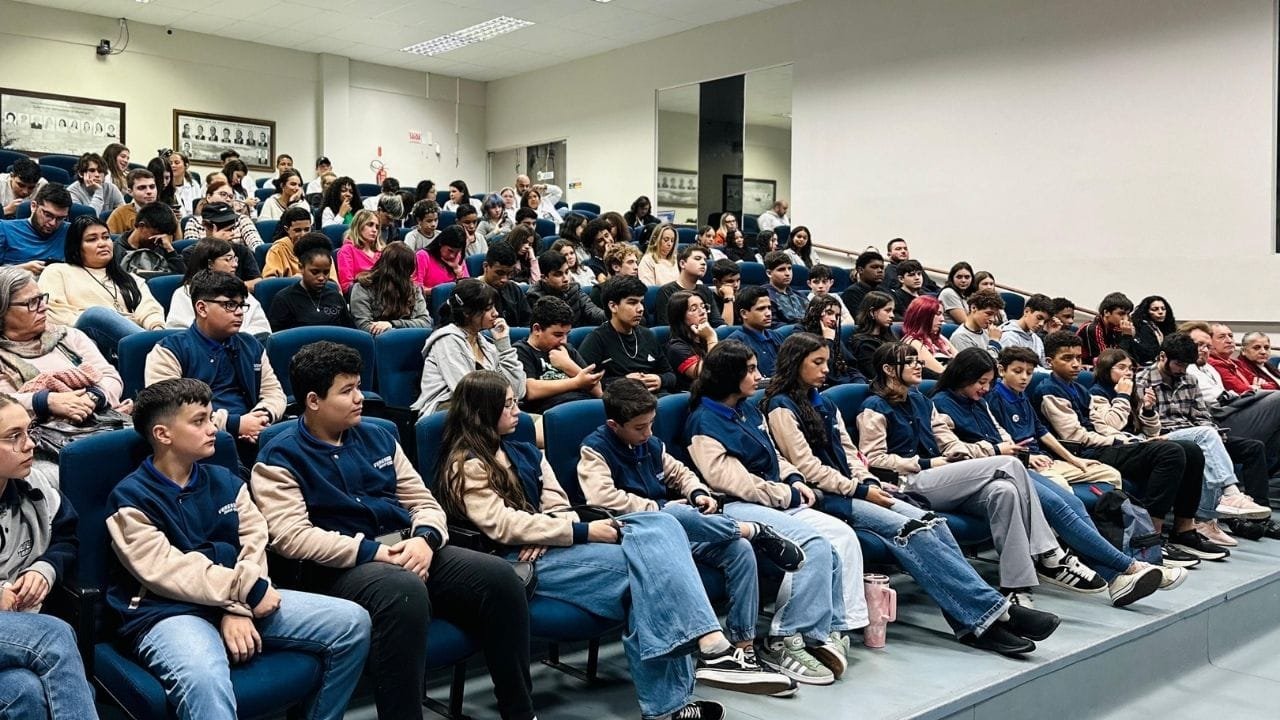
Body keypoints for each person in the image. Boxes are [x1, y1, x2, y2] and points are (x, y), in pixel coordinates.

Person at [250, 343, 538, 720]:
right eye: (347, 391)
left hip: (408, 548)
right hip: (341, 568)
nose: (359, 398)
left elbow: (424, 501)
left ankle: (519, 712)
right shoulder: (279, 456)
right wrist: (375, 553)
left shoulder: (379, 435)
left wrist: (425, 539)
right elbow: (292, 536)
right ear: (313, 400)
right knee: (402, 592)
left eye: (358, 386)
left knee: (499, 578)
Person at [435, 371, 727, 720]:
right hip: (510, 563)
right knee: (646, 576)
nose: (519, 411)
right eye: (508, 405)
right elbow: (503, 526)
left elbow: (559, 503)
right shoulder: (465, 465)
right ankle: (680, 689)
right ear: (483, 411)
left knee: (661, 522)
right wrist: (573, 532)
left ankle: (682, 681)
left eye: (515, 402)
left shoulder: (527, 450)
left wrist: (549, 530)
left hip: (551, 544)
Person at [765, 334, 1068, 652]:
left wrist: (870, 481)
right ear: (795, 363)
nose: (826, 369)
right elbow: (809, 469)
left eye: (827, 361)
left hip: (858, 488)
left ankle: (973, 621)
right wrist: (862, 489)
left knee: (934, 524)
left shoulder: (823, 401)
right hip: (828, 498)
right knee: (910, 530)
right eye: (818, 362)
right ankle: (997, 614)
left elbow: (852, 455)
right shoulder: (780, 407)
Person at [106, 378, 371, 720]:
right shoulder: (130, 498)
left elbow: (254, 544)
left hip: (242, 597)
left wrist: (241, 607)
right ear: (163, 434)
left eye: (210, 417)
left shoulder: (227, 480)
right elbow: (166, 570)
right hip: (168, 612)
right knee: (204, 679)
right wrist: (245, 592)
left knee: (352, 623)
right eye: (199, 421)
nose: (212, 427)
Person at [579, 379, 801, 696]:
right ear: (615, 425)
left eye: (651, 425)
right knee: (677, 515)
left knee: (738, 550)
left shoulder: (651, 444)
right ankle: (754, 529)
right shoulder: (594, 449)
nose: (648, 434)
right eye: (640, 428)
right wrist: (659, 507)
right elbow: (603, 499)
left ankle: (742, 648)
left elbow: (679, 473)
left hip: (672, 526)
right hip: (634, 534)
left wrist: (697, 492)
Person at [932, 347, 1168, 606]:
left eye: (989, 383)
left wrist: (1008, 448)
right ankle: (1127, 567)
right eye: (980, 382)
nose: (986, 389)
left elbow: (1004, 436)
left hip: (1010, 466)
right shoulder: (942, 403)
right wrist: (999, 449)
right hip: (986, 475)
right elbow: (955, 452)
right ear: (962, 376)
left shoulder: (980, 402)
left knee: (1073, 502)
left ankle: (1118, 575)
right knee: (1057, 505)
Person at [684, 341, 859, 684]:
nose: (758, 375)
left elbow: (772, 455)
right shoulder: (703, 422)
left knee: (836, 539)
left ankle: (826, 630)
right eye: (749, 370)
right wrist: (788, 493)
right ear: (727, 376)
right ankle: (783, 638)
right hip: (733, 506)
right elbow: (734, 483)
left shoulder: (748, 408)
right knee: (812, 545)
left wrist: (792, 475)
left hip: (773, 498)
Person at [857, 341, 1066, 607]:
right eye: (910, 362)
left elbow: (947, 439)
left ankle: (1016, 585)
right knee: (1009, 464)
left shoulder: (922, 400)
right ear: (888, 369)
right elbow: (874, 459)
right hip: (906, 484)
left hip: (940, 478)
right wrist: (927, 462)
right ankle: (1047, 550)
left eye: (918, 361)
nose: (918, 366)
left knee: (1005, 491)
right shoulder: (874, 407)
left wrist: (960, 454)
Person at [1031, 331, 1226, 563]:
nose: (1075, 364)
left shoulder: (1079, 388)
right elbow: (1076, 436)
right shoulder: (1050, 390)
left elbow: (1104, 426)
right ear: (1049, 362)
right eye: (1066, 358)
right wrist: (1124, 439)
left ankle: (1184, 529)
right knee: (1171, 452)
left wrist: (1140, 426)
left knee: (1190, 449)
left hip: (1109, 443)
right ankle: (1149, 536)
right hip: (1085, 453)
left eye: (1077, 357)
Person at [1096, 345, 1277, 542]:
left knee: (1236, 445)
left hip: (1172, 434)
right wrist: (1123, 396)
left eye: (1130, 368)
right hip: (1135, 442)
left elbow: (1160, 426)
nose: (1128, 373)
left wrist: (1148, 410)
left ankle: (1212, 519)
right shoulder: (1108, 390)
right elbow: (1111, 426)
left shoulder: (1185, 380)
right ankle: (1222, 502)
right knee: (1199, 442)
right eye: (1121, 368)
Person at [0, 391, 100, 718]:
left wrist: (46, 568)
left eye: (28, 431)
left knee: (25, 692)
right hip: (22, 628)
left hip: (15, 628)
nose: (29, 445)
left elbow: (66, 536)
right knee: (54, 637)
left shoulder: (36, 484)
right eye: (13, 437)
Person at [146, 271, 285, 467]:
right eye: (229, 305)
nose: (239, 312)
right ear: (202, 308)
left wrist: (262, 417)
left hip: (255, 433)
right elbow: (169, 410)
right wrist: (235, 424)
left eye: (241, 305)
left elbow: (273, 392)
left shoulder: (251, 345)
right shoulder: (169, 350)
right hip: (202, 444)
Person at [39, 215, 166, 360]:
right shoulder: (57, 271)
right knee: (96, 315)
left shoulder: (130, 278)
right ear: (77, 246)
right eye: (92, 239)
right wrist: (112, 319)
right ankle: (163, 352)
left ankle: (159, 348)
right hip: (83, 342)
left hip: (129, 342)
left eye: (106, 237)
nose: (102, 243)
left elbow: (149, 309)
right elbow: (52, 312)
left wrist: (157, 328)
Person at [1182, 322, 1280, 481]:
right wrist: (1251, 391)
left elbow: (1232, 395)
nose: (1229, 340)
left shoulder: (1210, 367)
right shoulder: (1192, 367)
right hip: (1216, 421)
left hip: (1229, 411)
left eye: (1207, 345)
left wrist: (1251, 391)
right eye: (1199, 345)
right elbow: (1222, 397)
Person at [413, 279, 524, 416]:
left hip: (487, 411)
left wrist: (504, 346)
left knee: (530, 423)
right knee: (526, 423)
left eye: (494, 307)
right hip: (450, 415)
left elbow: (518, 390)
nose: (495, 313)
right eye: (488, 309)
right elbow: (469, 394)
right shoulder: (447, 341)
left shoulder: (485, 343)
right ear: (467, 312)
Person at [578, 276, 676, 395]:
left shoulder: (648, 335)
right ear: (613, 306)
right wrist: (624, 382)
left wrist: (660, 380)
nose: (640, 309)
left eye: (641, 302)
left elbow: (670, 375)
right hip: (623, 402)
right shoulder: (596, 339)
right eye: (632, 302)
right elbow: (585, 382)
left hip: (655, 397)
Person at [515, 296, 603, 418]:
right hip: (554, 413)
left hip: (584, 404)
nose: (564, 340)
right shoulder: (522, 350)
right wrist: (576, 382)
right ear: (537, 329)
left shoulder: (567, 349)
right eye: (558, 335)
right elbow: (531, 390)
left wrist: (568, 365)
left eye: (567, 334)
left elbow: (598, 390)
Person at [167, 238, 272, 338]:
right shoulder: (184, 294)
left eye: (235, 259)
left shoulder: (239, 290)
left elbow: (262, 327)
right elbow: (179, 332)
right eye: (228, 259)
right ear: (210, 264)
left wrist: (239, 340)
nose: (235, 264)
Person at [267, 234, 354, 331]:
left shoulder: (336, 297)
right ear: (301, 267)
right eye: (315, 272)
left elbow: (349, 333)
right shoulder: (284, 299)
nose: (321, 278)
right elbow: (277, 341)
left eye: (326, 272)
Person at [350, 242, 432, 335]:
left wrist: (392, 324)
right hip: (376, 343)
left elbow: (425, 322)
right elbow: (364, 326)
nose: (410, 275)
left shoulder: (413, 289)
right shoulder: (363, 288)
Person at [0, 182, 71, 273]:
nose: (53, 223)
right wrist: (21, 269)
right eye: (48, 215)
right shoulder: (4, 228)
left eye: (60, 218)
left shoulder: (71, 231)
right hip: (18, 283)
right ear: (33, 206)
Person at [525, 249, 605, 327]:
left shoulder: (574, 288)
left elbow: (592, 311)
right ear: (544, 278)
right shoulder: (534, 297)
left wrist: (613, 317)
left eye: (567, 272)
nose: (566, 279)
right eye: (558, 274)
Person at [799, 296, 865, 387]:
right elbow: (824, 371)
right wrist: (828, 341)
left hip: (844, 384)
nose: (834, 319)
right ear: (814, 311)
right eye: (829, 313)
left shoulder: (832, 332)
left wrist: (859, 382)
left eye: (837, 315)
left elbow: (850, 366)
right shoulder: (800, 332)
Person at [653, 245, 724, 329]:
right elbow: (667, 328)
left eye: (705, 260)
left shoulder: (705, 290)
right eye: (697, 258)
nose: (703, 263)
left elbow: (718, 323)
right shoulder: (666, 291)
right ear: (682, 264)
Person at [182, 182, 263, 251]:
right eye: (223, 194)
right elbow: (191, 254)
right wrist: (213, 242)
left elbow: (257, 245)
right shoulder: (195, 222)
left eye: (231, 197)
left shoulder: (241, 219)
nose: (227, 199)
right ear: (209, 197)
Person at [666, 290, 719, 392]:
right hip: (697, 398)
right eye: (693, 309)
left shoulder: (704, 337)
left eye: (703, 307)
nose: (702, 312)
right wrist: (711, 338)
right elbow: (710, 374)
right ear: (679, 317)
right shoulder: (676, 348)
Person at [116, 202, 186, 279]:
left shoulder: (161, 246)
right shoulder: (116, 251)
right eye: (156, 234)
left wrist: (170, 249)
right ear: (142, 226)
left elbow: (182, 277)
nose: (159, 238)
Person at [727, 285, 783, 378]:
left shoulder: (777, 336)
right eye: (761, 309)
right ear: (744, 313)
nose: (768, 313)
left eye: (769, 308)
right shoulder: (734, 343)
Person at [900, 295, 956, 378]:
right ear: (923, 316)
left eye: (942, 314)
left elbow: (961, 359)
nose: (942, 319)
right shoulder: (913, 342)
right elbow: (943, 373)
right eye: (938, 314)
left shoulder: (938, 337)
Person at [1076, 292, 1138, 366]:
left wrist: (1131, 337)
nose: (1126, 318)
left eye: (1127, 314)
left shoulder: (1116, 328)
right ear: (1106, 312)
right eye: (1121, 314)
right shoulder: (1093, 328)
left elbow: (1134, 358)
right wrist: (1126, 336)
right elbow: (1107, 361)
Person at [845, 291, 896, 380]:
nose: (892, 315)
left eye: (892, 311)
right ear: (872, 312)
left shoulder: (890, 336)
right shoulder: (863, 344)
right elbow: (876, 375)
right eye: (887, 310)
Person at [481, 240, 531, 327]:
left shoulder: (514, 290)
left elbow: (527, 323)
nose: (504, 279)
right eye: (499, 273)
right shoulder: (472, 293)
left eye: (509, 274)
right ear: (486, 267)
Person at [260, 206, 319, 279]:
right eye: (297, 230)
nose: (303, 234)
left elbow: (333, 283)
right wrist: (293, 281)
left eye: (307, 230)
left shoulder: (319, 249)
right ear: (287, 229)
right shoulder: (277, 250)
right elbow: (269, 281)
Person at [998, 293, 1053, 365]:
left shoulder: (1037, 340)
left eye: (1045, 321)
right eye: (1039, 318)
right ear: (1026, 311)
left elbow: (1043, 367)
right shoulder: (1008, 336)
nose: (1041, 324)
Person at [336, 209, 382, 293]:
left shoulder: (381, 252)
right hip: (361, 296)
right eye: (370, 225)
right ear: (359, 226)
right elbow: (346, 286)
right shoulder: (347, 250)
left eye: (377, 227)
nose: (374, 230)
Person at [949, 289, 1006, 355]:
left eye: (995, 315)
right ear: (973, 308)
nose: (993, 319)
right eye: (989, 314)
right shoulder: (960, 338)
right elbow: (984, 365)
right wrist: (994, 341)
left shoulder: (987, 331)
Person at [107, 168, 157, 235]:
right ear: (130, 192)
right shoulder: (119, 214)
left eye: (152, 187)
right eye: (142, 188)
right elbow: (108, 239)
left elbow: (176, 242)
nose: (149, 191)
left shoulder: (166, 212)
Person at [763, 251, 806, 328]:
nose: (787, 273)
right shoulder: (763, 296)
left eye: (789, 268)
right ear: (769, 273)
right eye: (781, 269)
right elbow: (772, 325)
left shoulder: (800, 296)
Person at [1132, 295, 1176, 365]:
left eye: (1163, 309)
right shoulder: (1142, 327)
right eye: (1155, 309)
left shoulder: (1166, 327)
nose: (1160, 312)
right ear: (1146, 311)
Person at [839, 250, 885, 317]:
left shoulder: (883, 291)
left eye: (882, 267)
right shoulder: (851, 293)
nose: (880, 270)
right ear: (860, 270)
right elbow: (860, 319)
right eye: (875, 267)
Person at [167, 151, 202, 216]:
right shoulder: (166, 186)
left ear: (186, 165)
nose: (173, 165)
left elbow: (199, 207)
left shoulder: (194, 185)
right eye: (170, 163)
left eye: (177, 163)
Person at [711, 259, 740, 326]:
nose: (736, 285)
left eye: (738, 280)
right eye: (730, 281)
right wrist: (728, 298)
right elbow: (726, 329)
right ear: (716, 282)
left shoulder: (741, 296)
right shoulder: (710, 300)